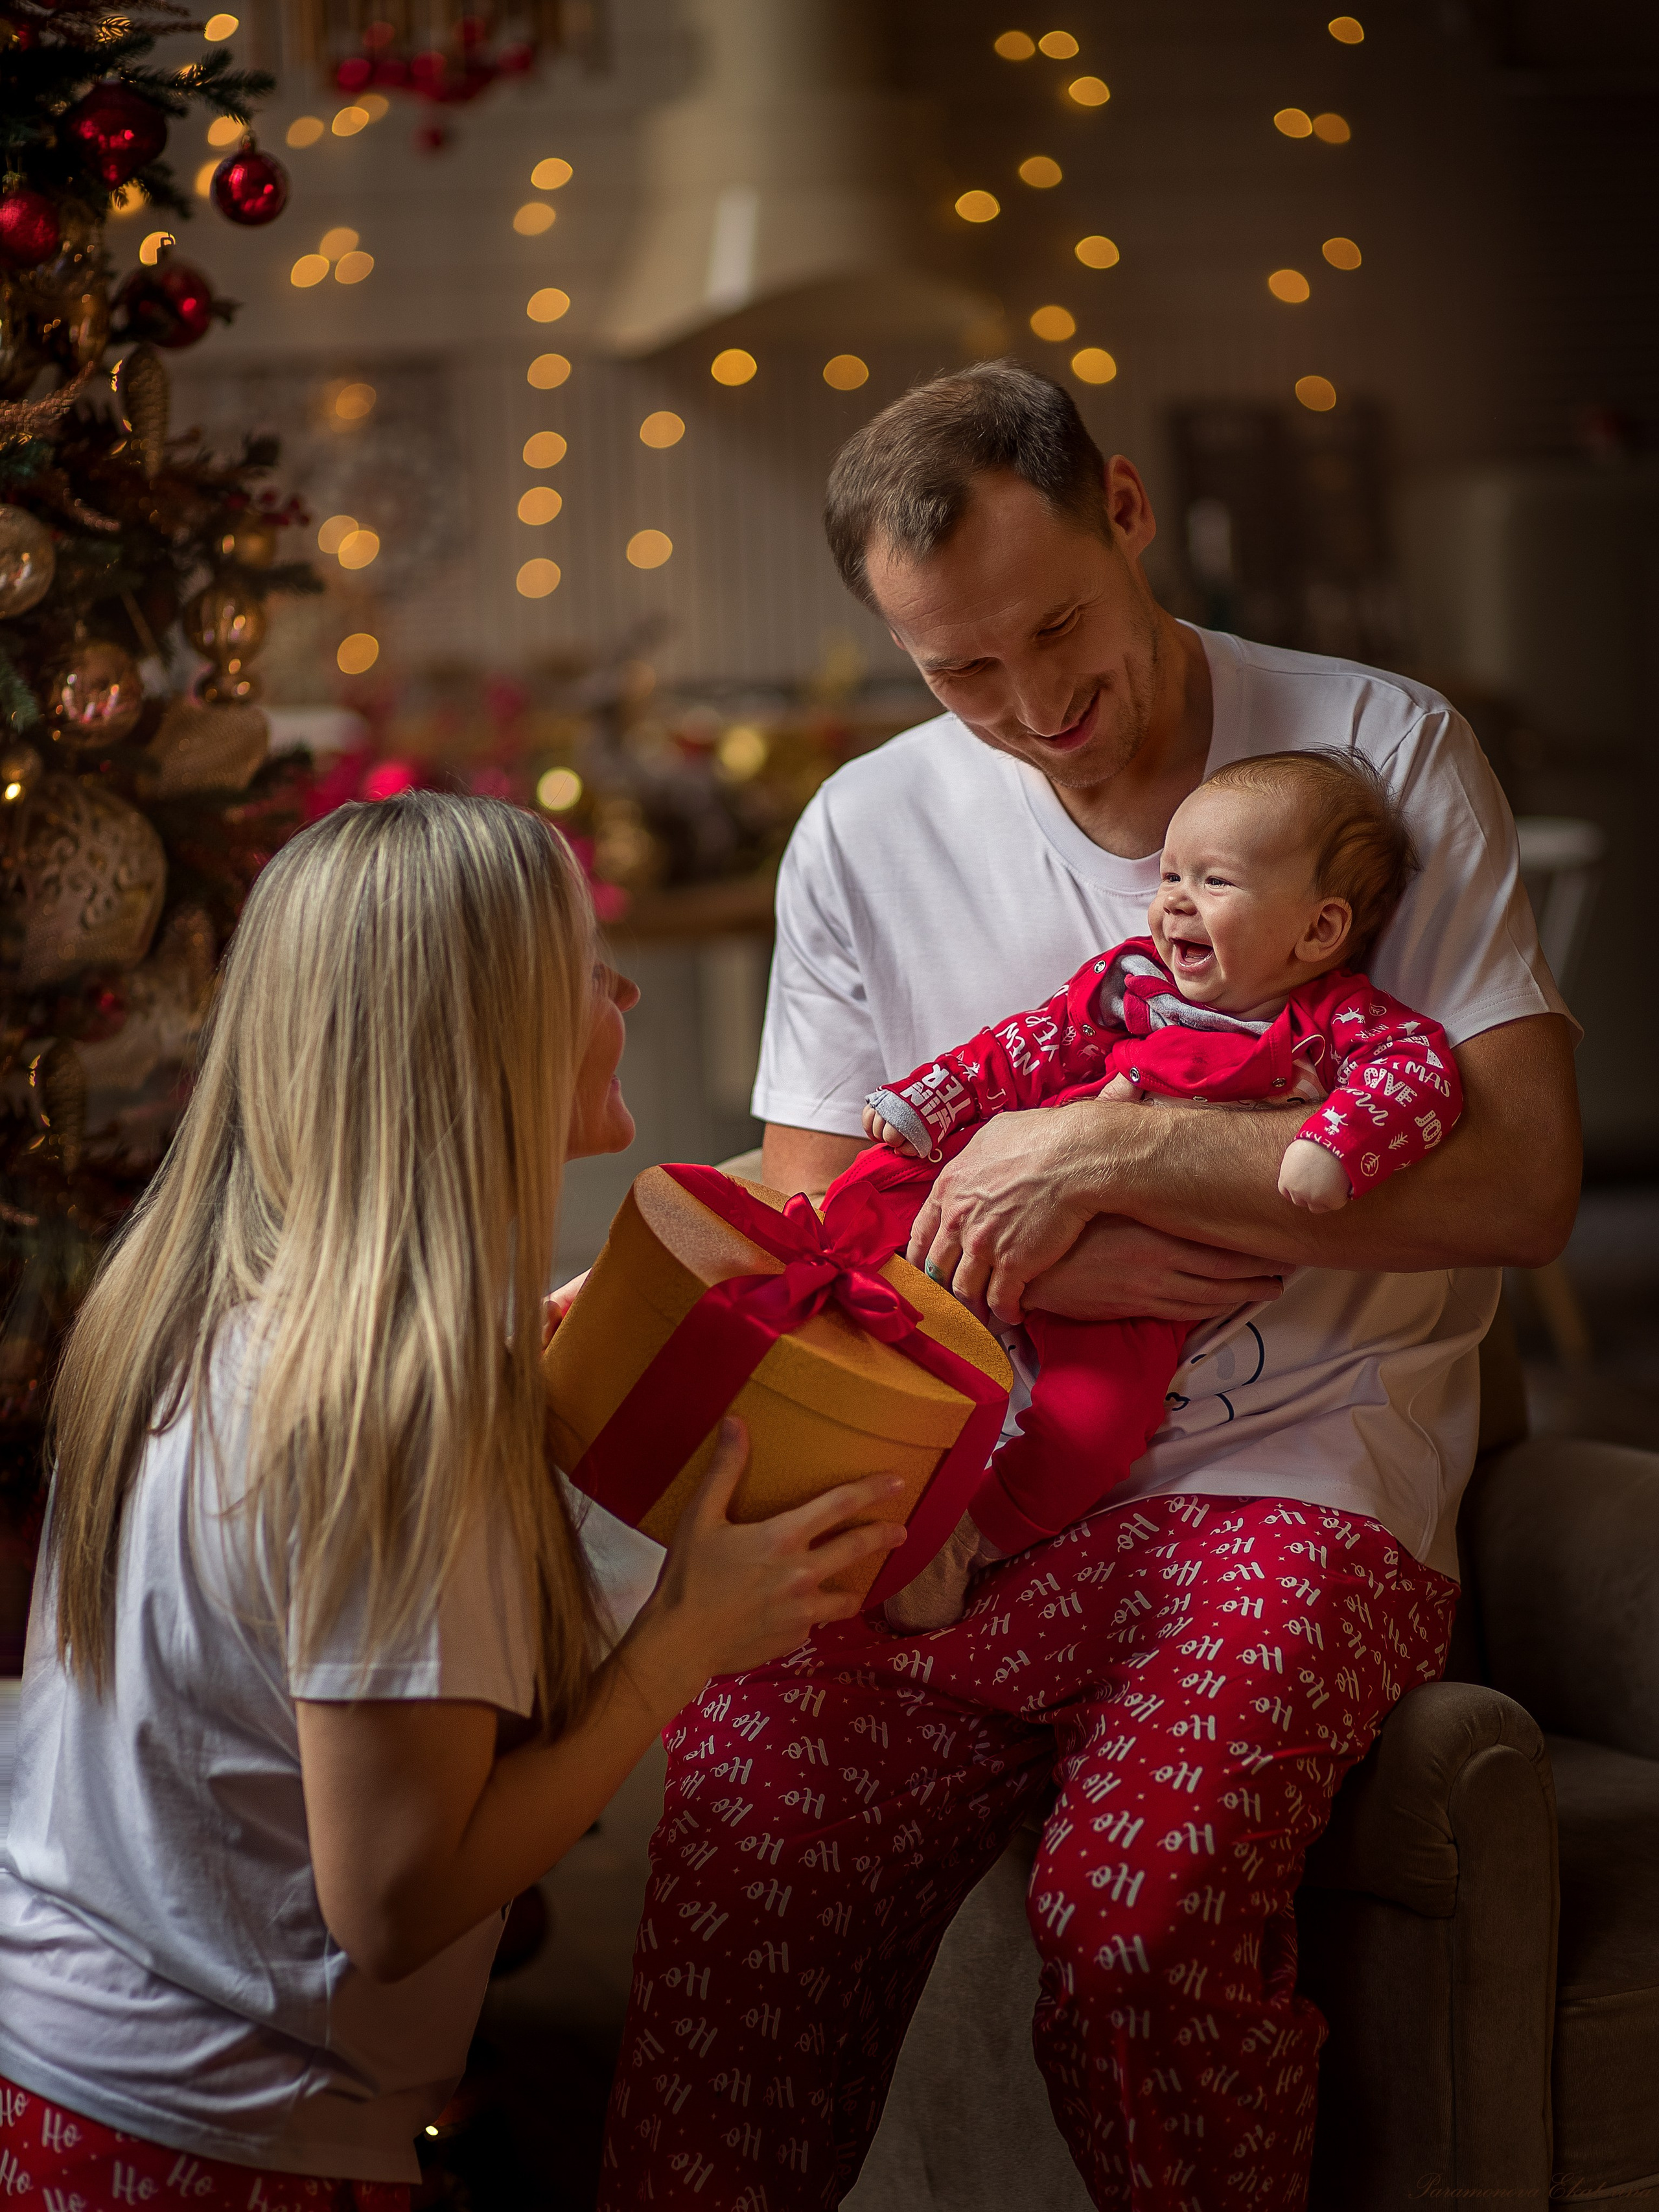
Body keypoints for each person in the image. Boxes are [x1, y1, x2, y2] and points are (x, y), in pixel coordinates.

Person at [597, 362, 1579, 2212]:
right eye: (963, 671)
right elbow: (827, 1225)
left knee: (1131, 1923)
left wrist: (1118, 1157)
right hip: (974, 1488)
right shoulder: (864, 834)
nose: (1037, 708)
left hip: (1297, 1485)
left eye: (1058, 629)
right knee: (738, 1828)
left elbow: (1525, 1177)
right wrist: (1046, 1230)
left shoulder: (1379, 753)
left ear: (1129, 509)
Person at [0, 794, 905, 2210]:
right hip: (215, 2141)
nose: (624, 995)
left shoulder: (203, 1296)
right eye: (586, 970)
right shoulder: (396, 1410)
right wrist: (682, 1640)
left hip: (62, 2057)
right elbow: (398, 1907)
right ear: (486, 1034)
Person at [842, 749, 1461, 1629]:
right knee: (880, 1188)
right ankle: (827, 1290)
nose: (1173, 898)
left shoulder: (1328, 1024)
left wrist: (1337, 1143)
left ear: (1320, 932)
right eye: (1170, 873)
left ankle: (967, 1539)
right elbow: (1029, 1045)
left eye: (1214, 880)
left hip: (1138, 1294)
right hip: (1014, 1200)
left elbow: (1419, 1070)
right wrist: (931, 1102)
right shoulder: (1132, 981)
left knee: (1099, 1424)